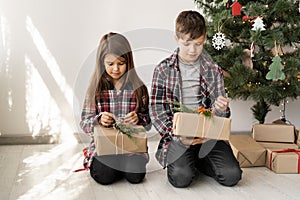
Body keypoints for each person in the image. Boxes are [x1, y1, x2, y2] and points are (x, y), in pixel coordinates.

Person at [150, 10, 242, 188]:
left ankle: (199, 160)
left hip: (208, 136)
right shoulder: (163, 69)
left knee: (232, 176)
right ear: (177, 39)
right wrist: (177, 137)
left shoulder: (212, 69)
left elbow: (222, 115)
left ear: (205, 39)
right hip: (178, 136)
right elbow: (156, 110)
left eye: (198, 44)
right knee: (181, 178)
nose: (193, 50)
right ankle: (189, 160)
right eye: (187, 44)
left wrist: (221, 109)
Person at [80, 32, 151, 185]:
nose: (116, 69)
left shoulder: (138, 88)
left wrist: (139, 118)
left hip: (132, 148)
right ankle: (113, 166)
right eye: (110, 64)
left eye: (121, 63)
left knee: (135, 177)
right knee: (104, 176)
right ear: (102, 63)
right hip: (104, 148)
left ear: (129, 62)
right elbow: (85, 122)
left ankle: (124, 166)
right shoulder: (95, 89)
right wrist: (99, 120)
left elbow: (148, 121)